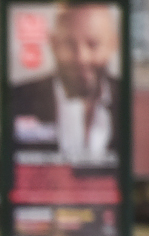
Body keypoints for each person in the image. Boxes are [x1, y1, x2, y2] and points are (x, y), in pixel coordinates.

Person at [11, 3, 119, 164]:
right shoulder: (18, 98)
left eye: (93, 44)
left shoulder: (129, 101)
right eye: (69, 44)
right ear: (54, 44)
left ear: (113, 44)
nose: (82, 58)